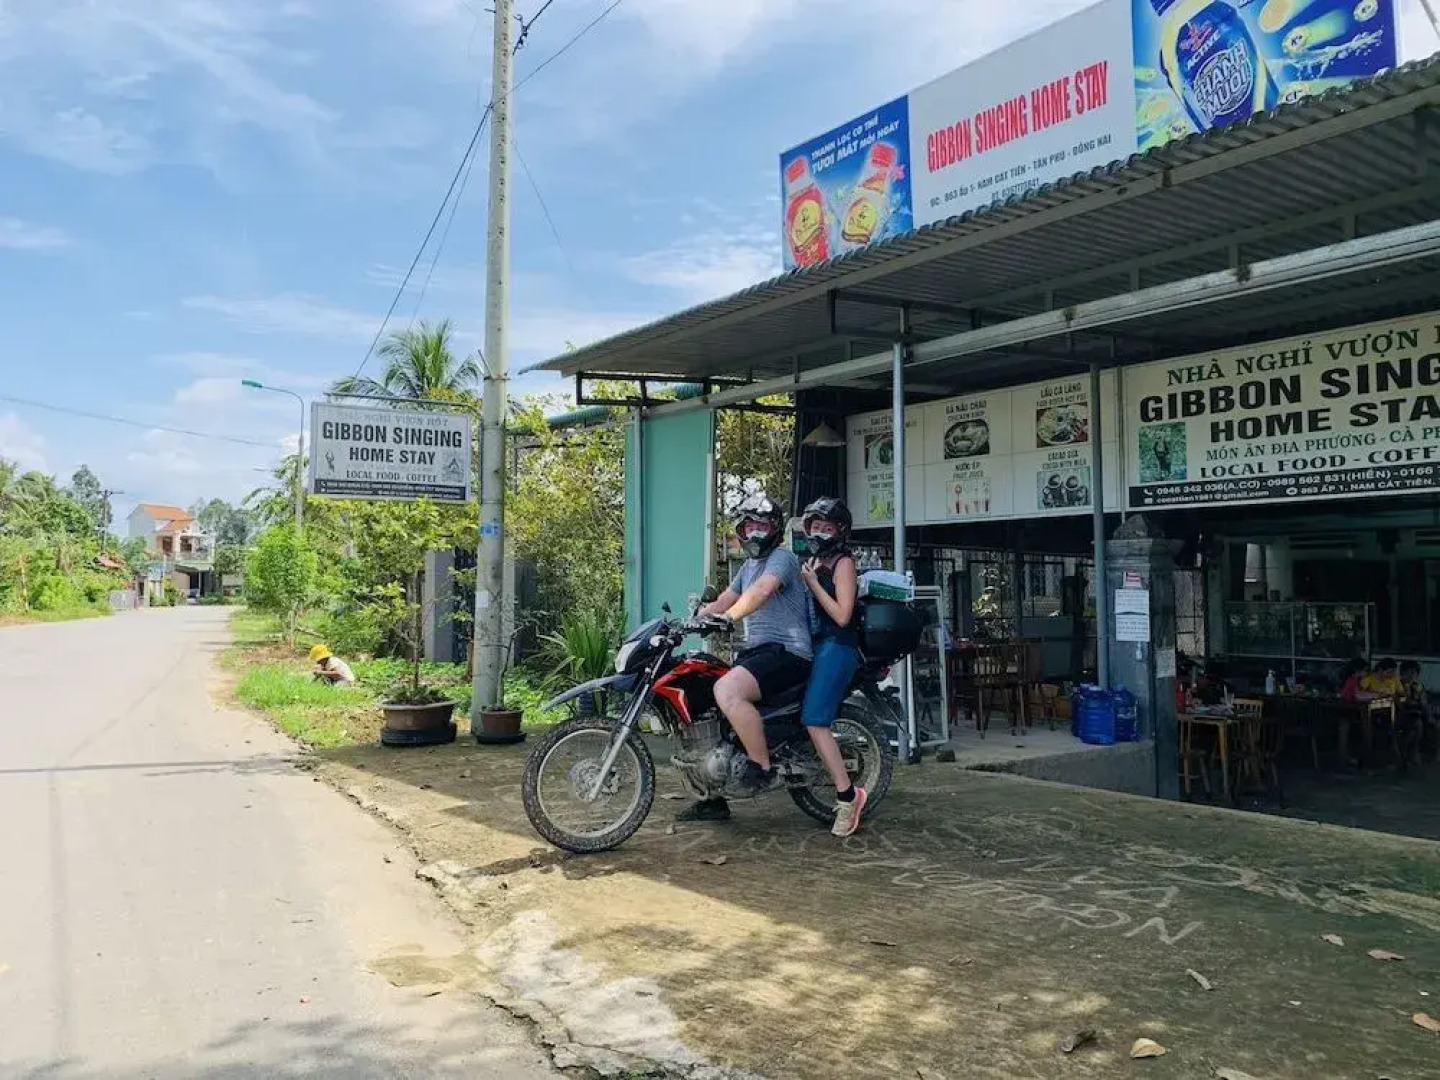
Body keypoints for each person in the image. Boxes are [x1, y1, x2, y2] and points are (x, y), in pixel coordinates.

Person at [680, 494, 813, 823]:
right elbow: (727, 597)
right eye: (749, 525)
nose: (754, 533)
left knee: (728, 692)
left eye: (761, 526)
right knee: (705, 700)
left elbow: (762, 592)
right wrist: (695, 618)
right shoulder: (748, 566)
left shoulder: (782, 558)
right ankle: (712, 796)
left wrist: (729, 617)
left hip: (788, 652)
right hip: (760, 653)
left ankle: (761, 766)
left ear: (774, 529)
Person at [796, 497, 868, 838]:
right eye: (816, 526)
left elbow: (842, 615)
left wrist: (812, 584)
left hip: (838, 647)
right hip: (815, 646)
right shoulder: (812, 560)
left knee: (815, 719)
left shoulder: (843, 564)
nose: (820, 532)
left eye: (827, 527)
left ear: (840, 531)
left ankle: (847, 796)